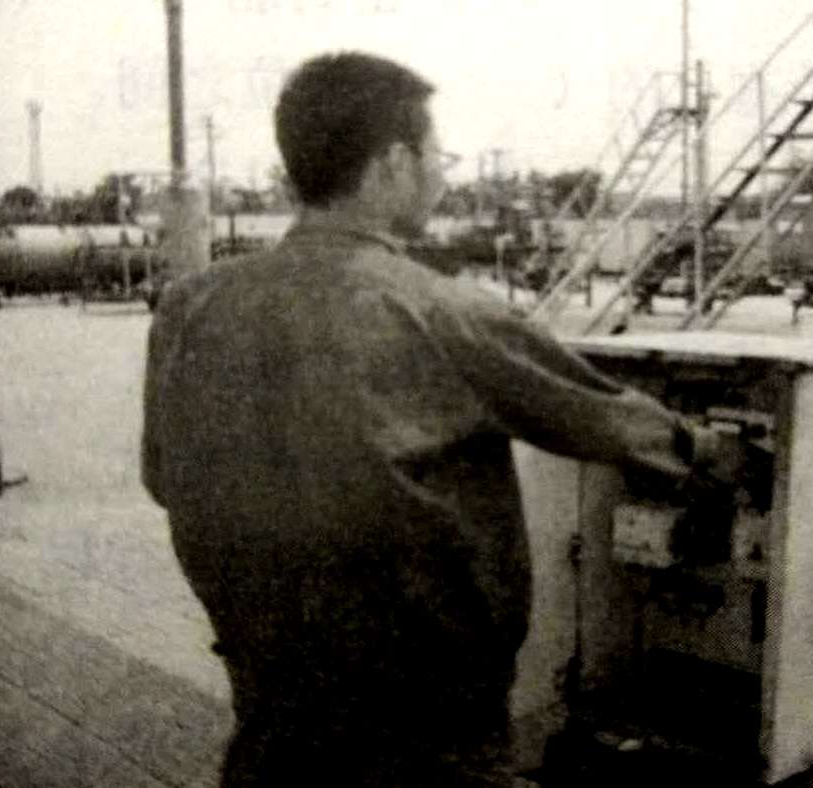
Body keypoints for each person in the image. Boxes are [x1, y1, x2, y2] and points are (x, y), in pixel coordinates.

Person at [142, 52, 726, 787]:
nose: (441, 179)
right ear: (393, 164)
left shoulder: (187, 308)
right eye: (436, 157)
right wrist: (707, 449)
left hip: (269, 714)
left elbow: (162, 479)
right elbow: (603, 421)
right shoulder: (441, 310)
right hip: (425, 730)